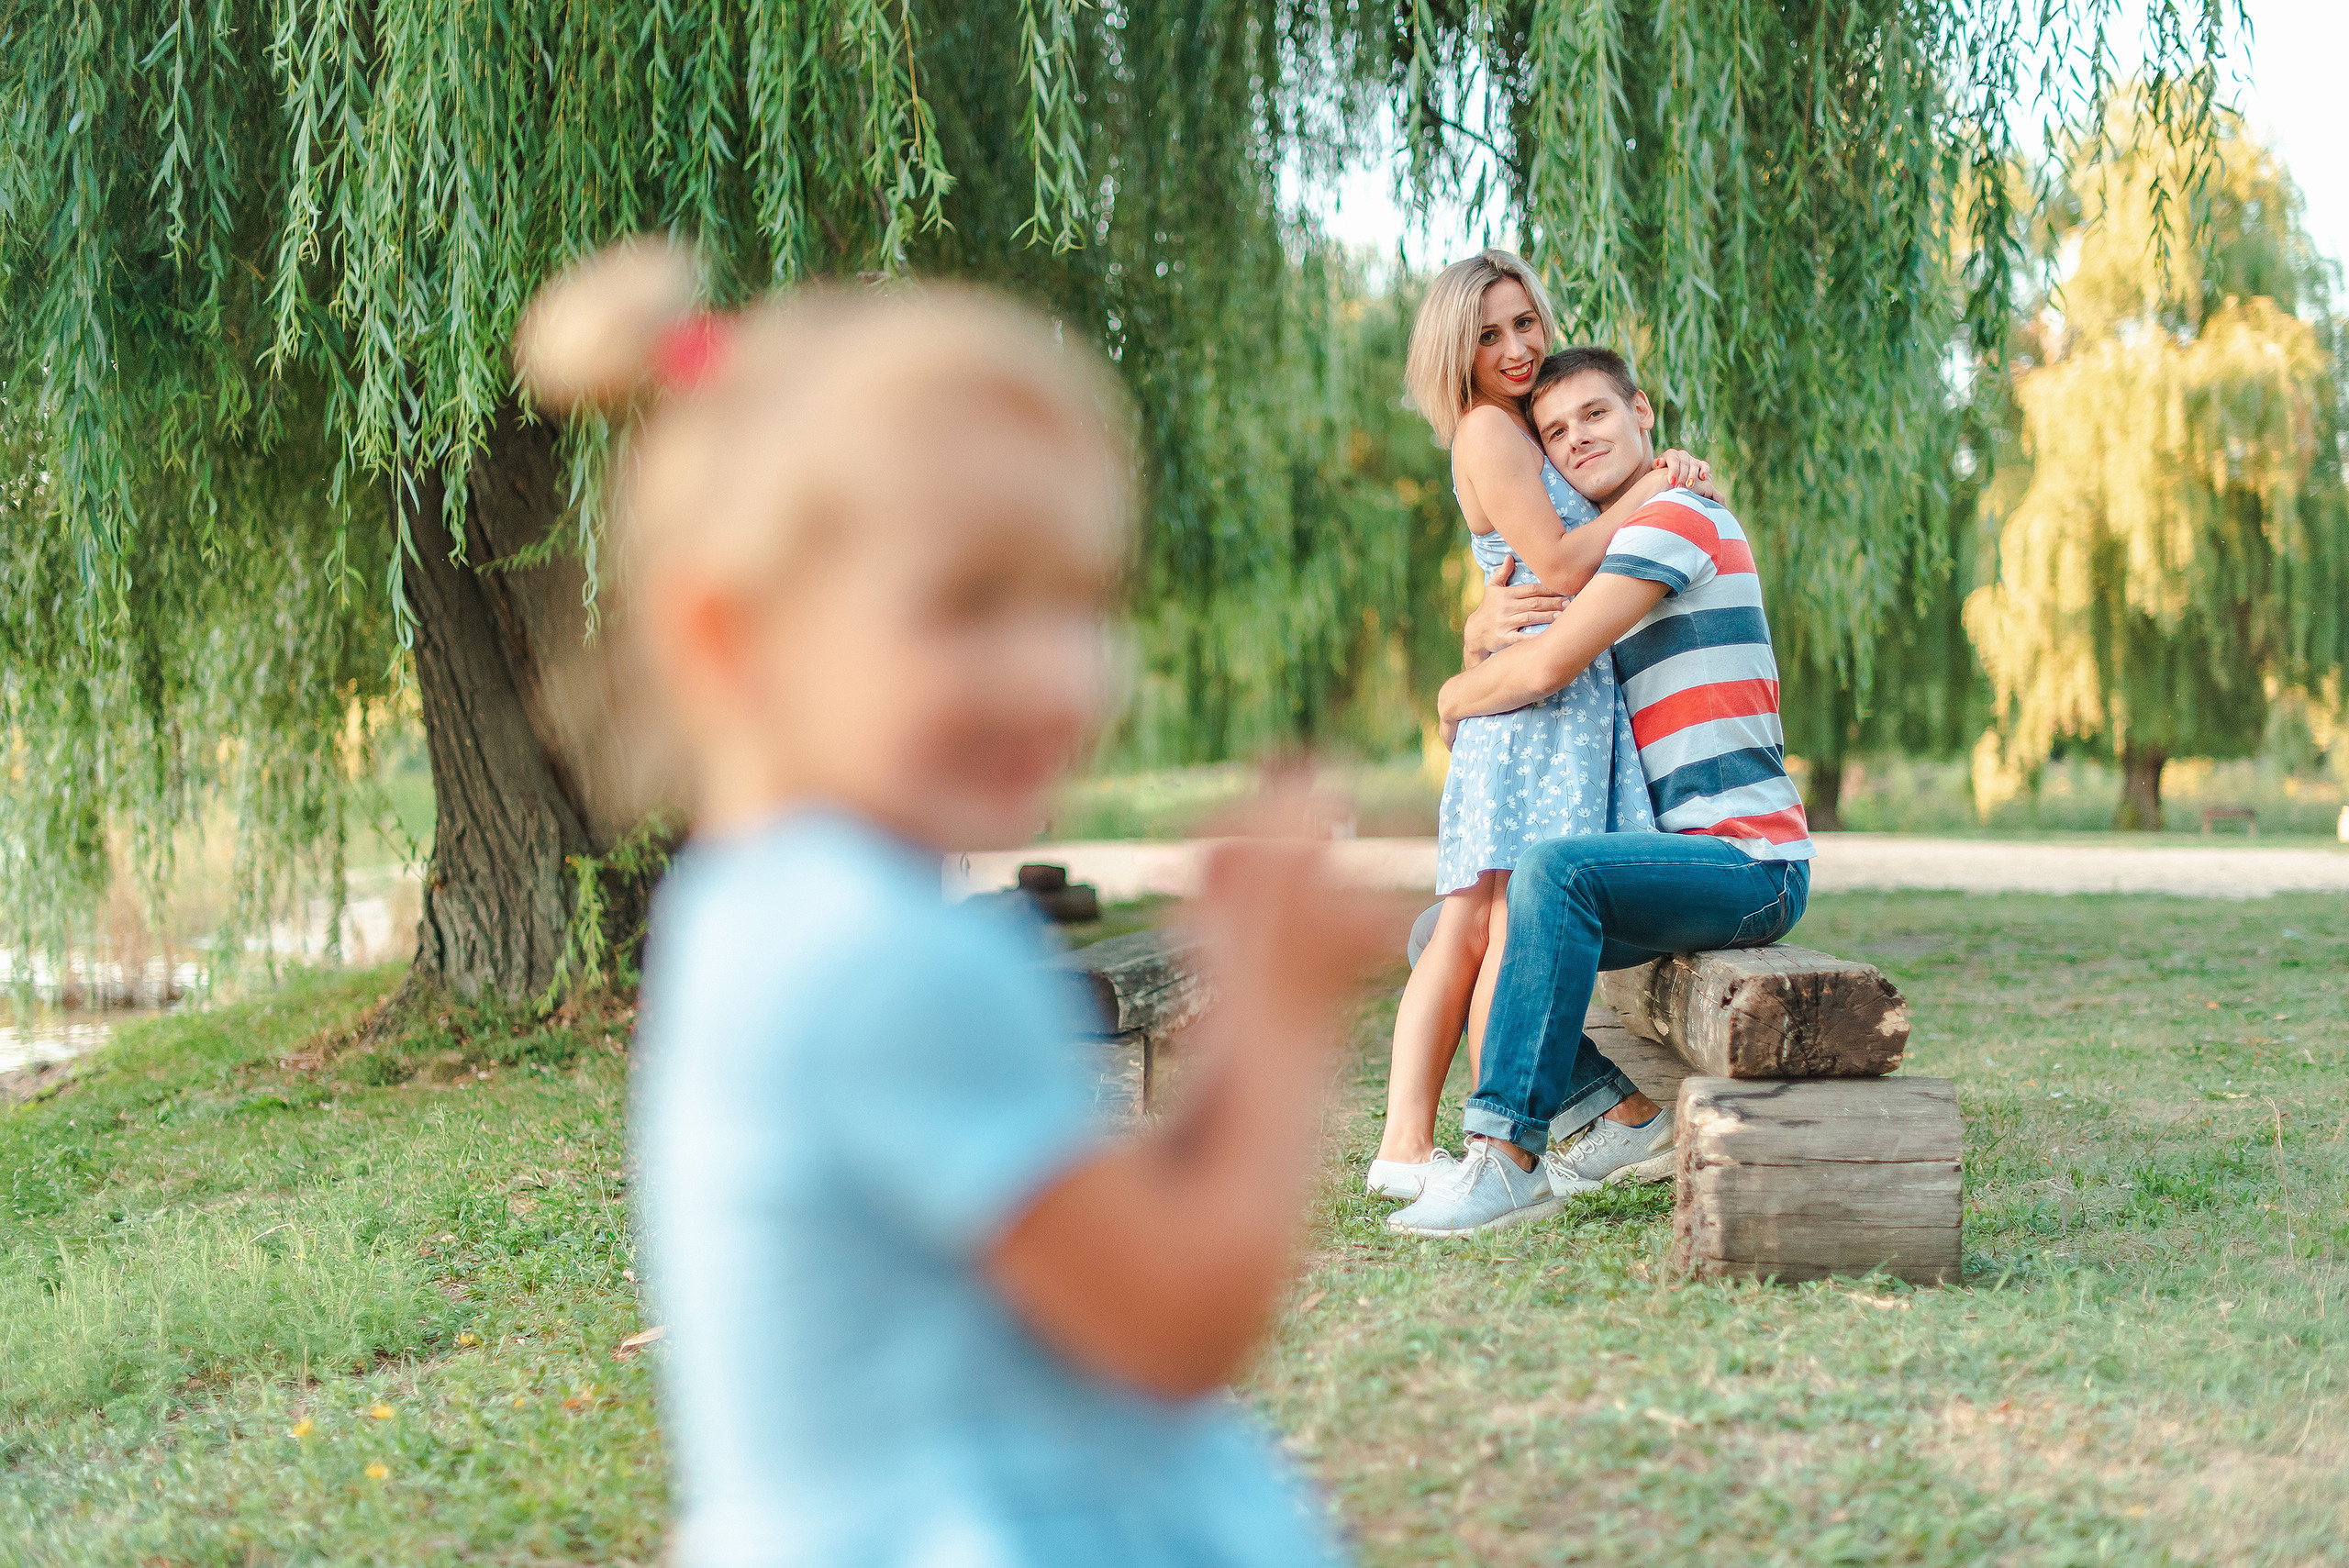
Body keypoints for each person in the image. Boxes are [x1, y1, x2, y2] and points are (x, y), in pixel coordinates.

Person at [513, 240, 1386, 1565]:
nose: (1057, 674)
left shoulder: (758, 914)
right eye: (970, 603)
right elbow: (1177, 1322)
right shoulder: (885, 961)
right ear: (733, 639)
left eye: (1081, 602)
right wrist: (1276, 1014)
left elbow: (1087, 1238)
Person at [1388, 345, 1814, 1238]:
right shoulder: (1614, 544)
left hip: (1750, 862)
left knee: (1551, 872)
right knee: (1446, 932)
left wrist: (1451, 694)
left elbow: (1547, 661)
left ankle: (1506, 1156)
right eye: (1554, 430)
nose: (1577, 437)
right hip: (1681, 863)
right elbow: (1533, 616)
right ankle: (1619, 1118)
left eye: (1595, 414)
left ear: (1642, 413)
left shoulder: (1677, 515)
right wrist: (1478, 628)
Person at [1366, 250, 1713, 1204]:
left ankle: (1482, 1132)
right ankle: (1426, 1138)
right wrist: (1655, 491)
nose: (1516, 347)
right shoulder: (1484, 427)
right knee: (1484, 919)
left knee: (1486, 920)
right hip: (1531, 708)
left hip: (1551, 703)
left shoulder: (1520, 429)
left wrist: (1650, 466)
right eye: (1489, 334)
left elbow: (1533, 555)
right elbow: (1558, 564)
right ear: (1456, 351)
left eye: (1525, 322)